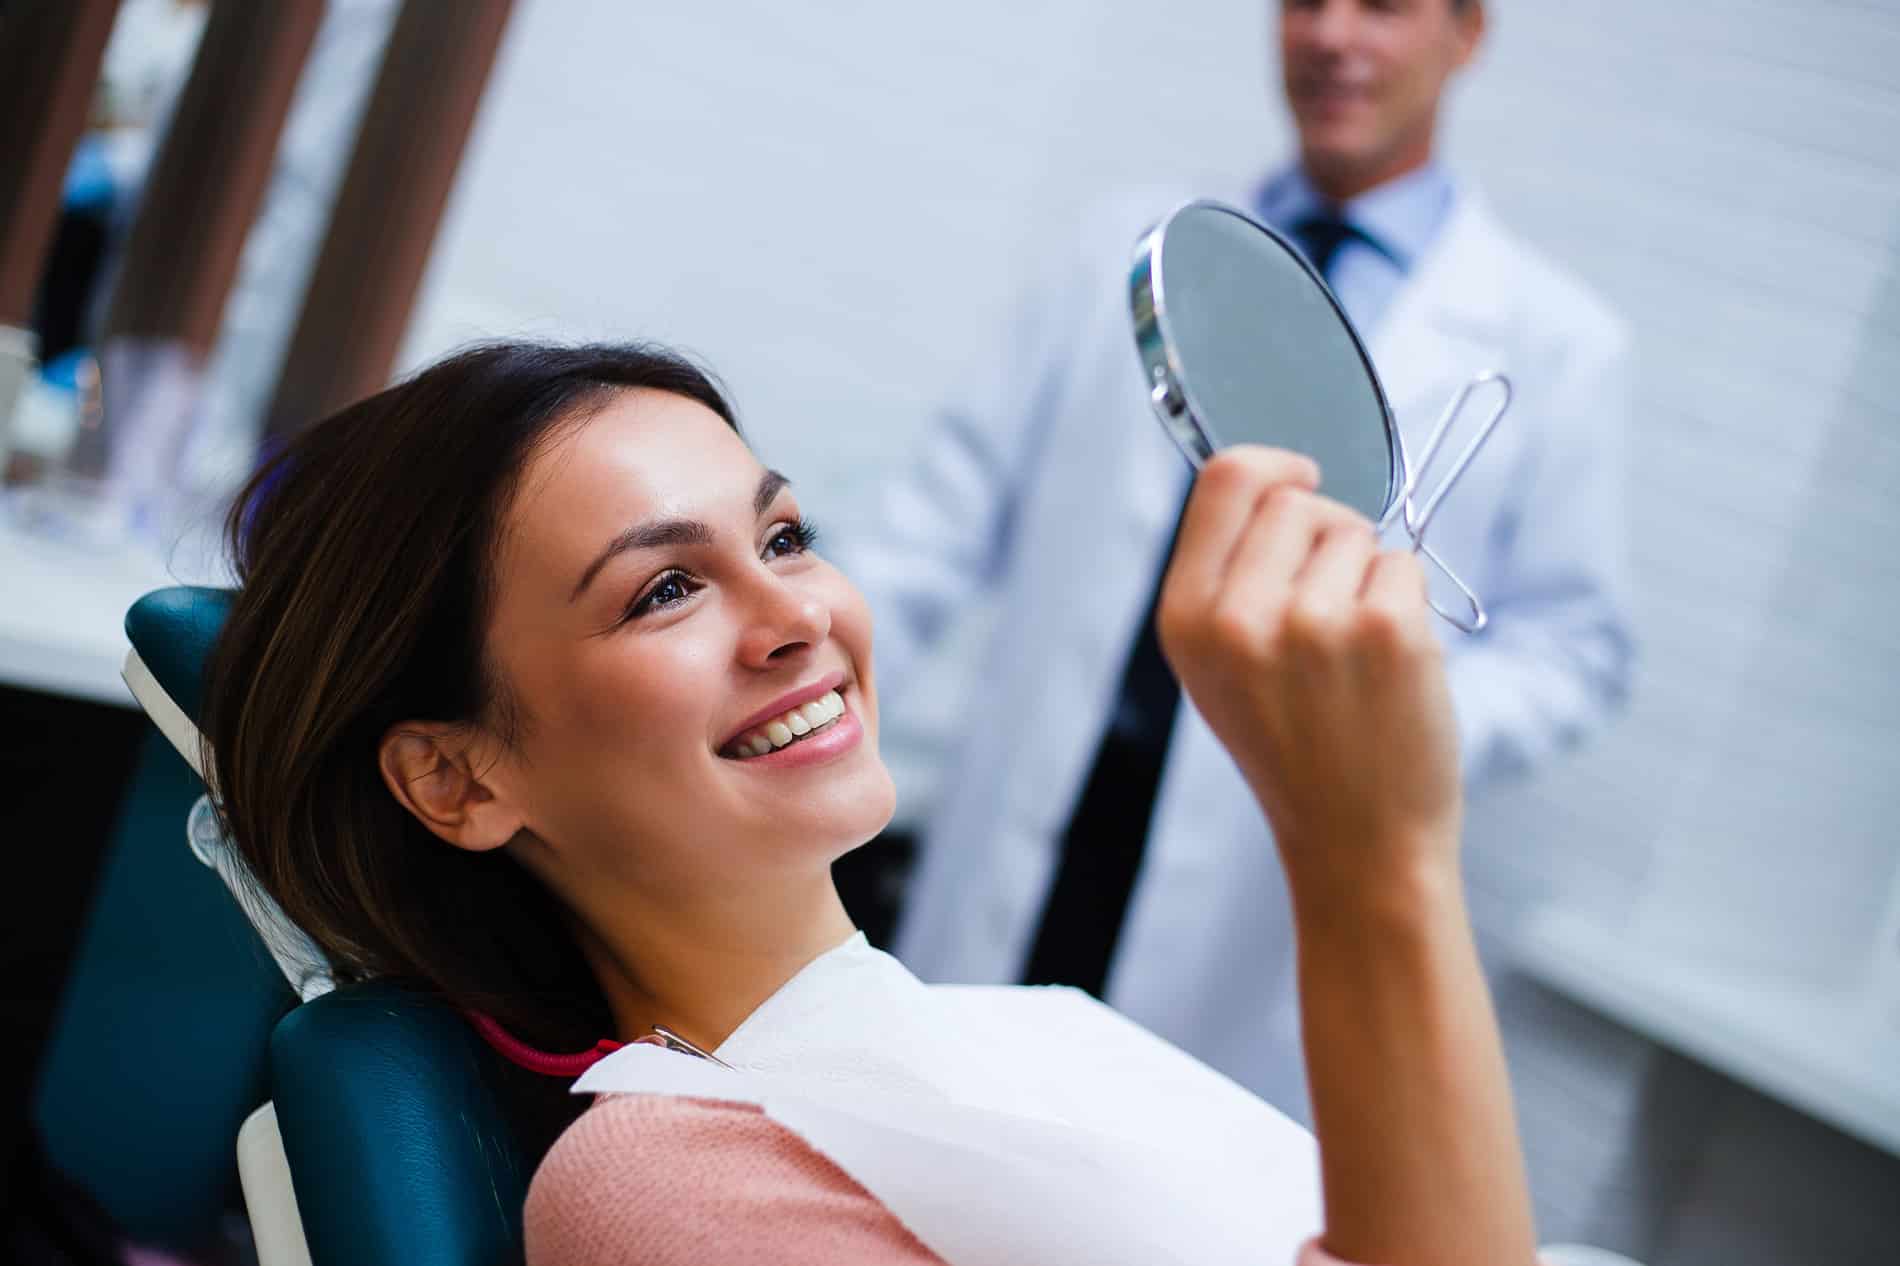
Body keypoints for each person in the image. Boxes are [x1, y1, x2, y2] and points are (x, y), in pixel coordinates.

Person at [202, 341, 1538, 1266]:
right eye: (665, 588)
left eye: (784, 535)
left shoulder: (1023, 1038)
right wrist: (1372, 861)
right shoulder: (666, 1189)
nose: (799, 613)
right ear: (459, 776)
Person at [841, 0, 1634, 1115]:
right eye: (1307, 0)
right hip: (1025, 827)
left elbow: (1575, 649)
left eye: (1385, 7)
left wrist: (1394, 719)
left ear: (1466, 33)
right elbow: (938, 514)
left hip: (1255, 880)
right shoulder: (1119, 245)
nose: (1332, 37)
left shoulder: (1554, 347)